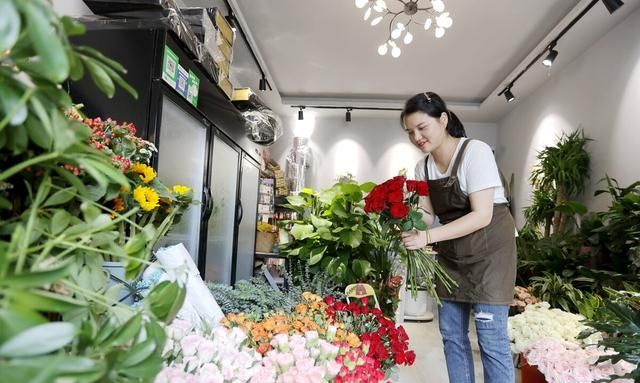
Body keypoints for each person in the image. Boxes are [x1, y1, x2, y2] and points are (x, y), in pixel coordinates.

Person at [400, 91, 516, 383]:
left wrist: (427, 237)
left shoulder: (474, 152)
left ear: (443, 120)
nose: (417, 137)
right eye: (410, 132)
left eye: (422, 127)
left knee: (490, 340)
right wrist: (407, 221)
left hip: (490, 254)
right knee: (452, 336)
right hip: (452, 255)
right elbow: (427, 216)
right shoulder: (422, 167)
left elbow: (482, 215)